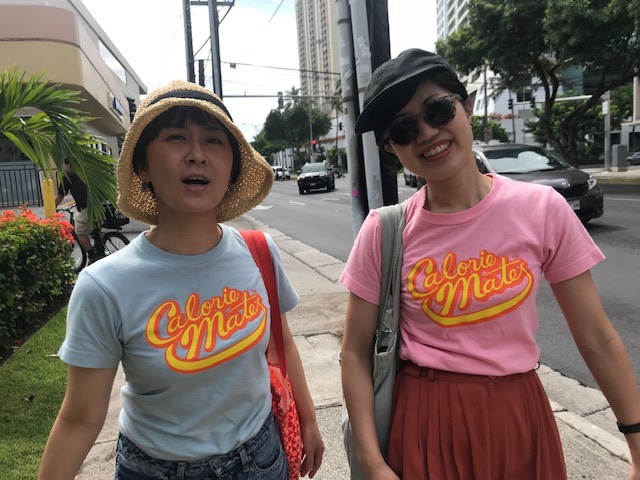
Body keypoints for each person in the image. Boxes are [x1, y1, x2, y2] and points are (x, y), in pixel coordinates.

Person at [339, 48, 640, 479]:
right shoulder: (384, 231)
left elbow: (596, 337)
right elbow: (354, 352)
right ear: (391, 148)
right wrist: (372, 462)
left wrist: (636, 441)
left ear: (467, 107)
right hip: (426, 425)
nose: (427, 133)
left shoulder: (542, 209)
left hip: (519, 417)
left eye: (438, 110)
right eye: (404, 129)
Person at [39, 80, 324, 479]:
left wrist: (309, 420)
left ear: (232, 166)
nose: (197, 155)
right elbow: (80, 419)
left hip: (261, 458)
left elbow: (283, 345)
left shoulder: (258, 252)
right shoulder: (105, 286)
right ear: (142, 165)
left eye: (213, 141)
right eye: (176, 137)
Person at [55, 159, 97, 261]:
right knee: (93, 229)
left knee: (80, 232)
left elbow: (61, 196)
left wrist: (52, 207)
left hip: (86, 207)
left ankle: (92, 256)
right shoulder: (87, 170)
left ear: (68, 164)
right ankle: (99, 248)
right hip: (99, 205)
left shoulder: (69, 175)